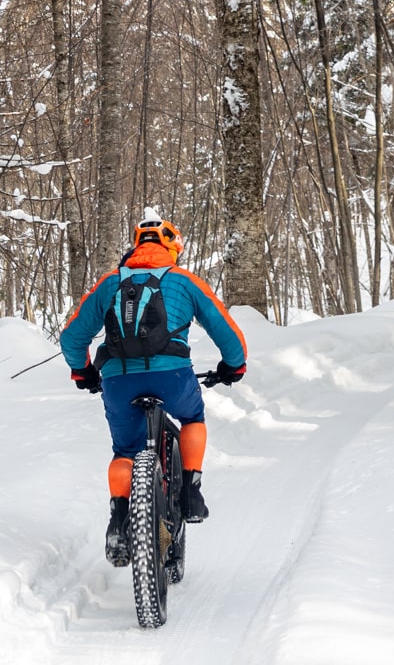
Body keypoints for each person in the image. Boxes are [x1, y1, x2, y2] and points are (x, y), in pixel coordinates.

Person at [60, 210, 247, 566]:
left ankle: (119, 519)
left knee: (125, 452)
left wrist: (83, 371)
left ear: (135, 247)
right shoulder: (183, 281)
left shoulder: (110, 282)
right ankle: (190, 492)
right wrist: (233, 366)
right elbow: (225, 329)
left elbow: (72, 336)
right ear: (173, 248)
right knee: (192, 416)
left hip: (118, 380)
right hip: (172, 377)